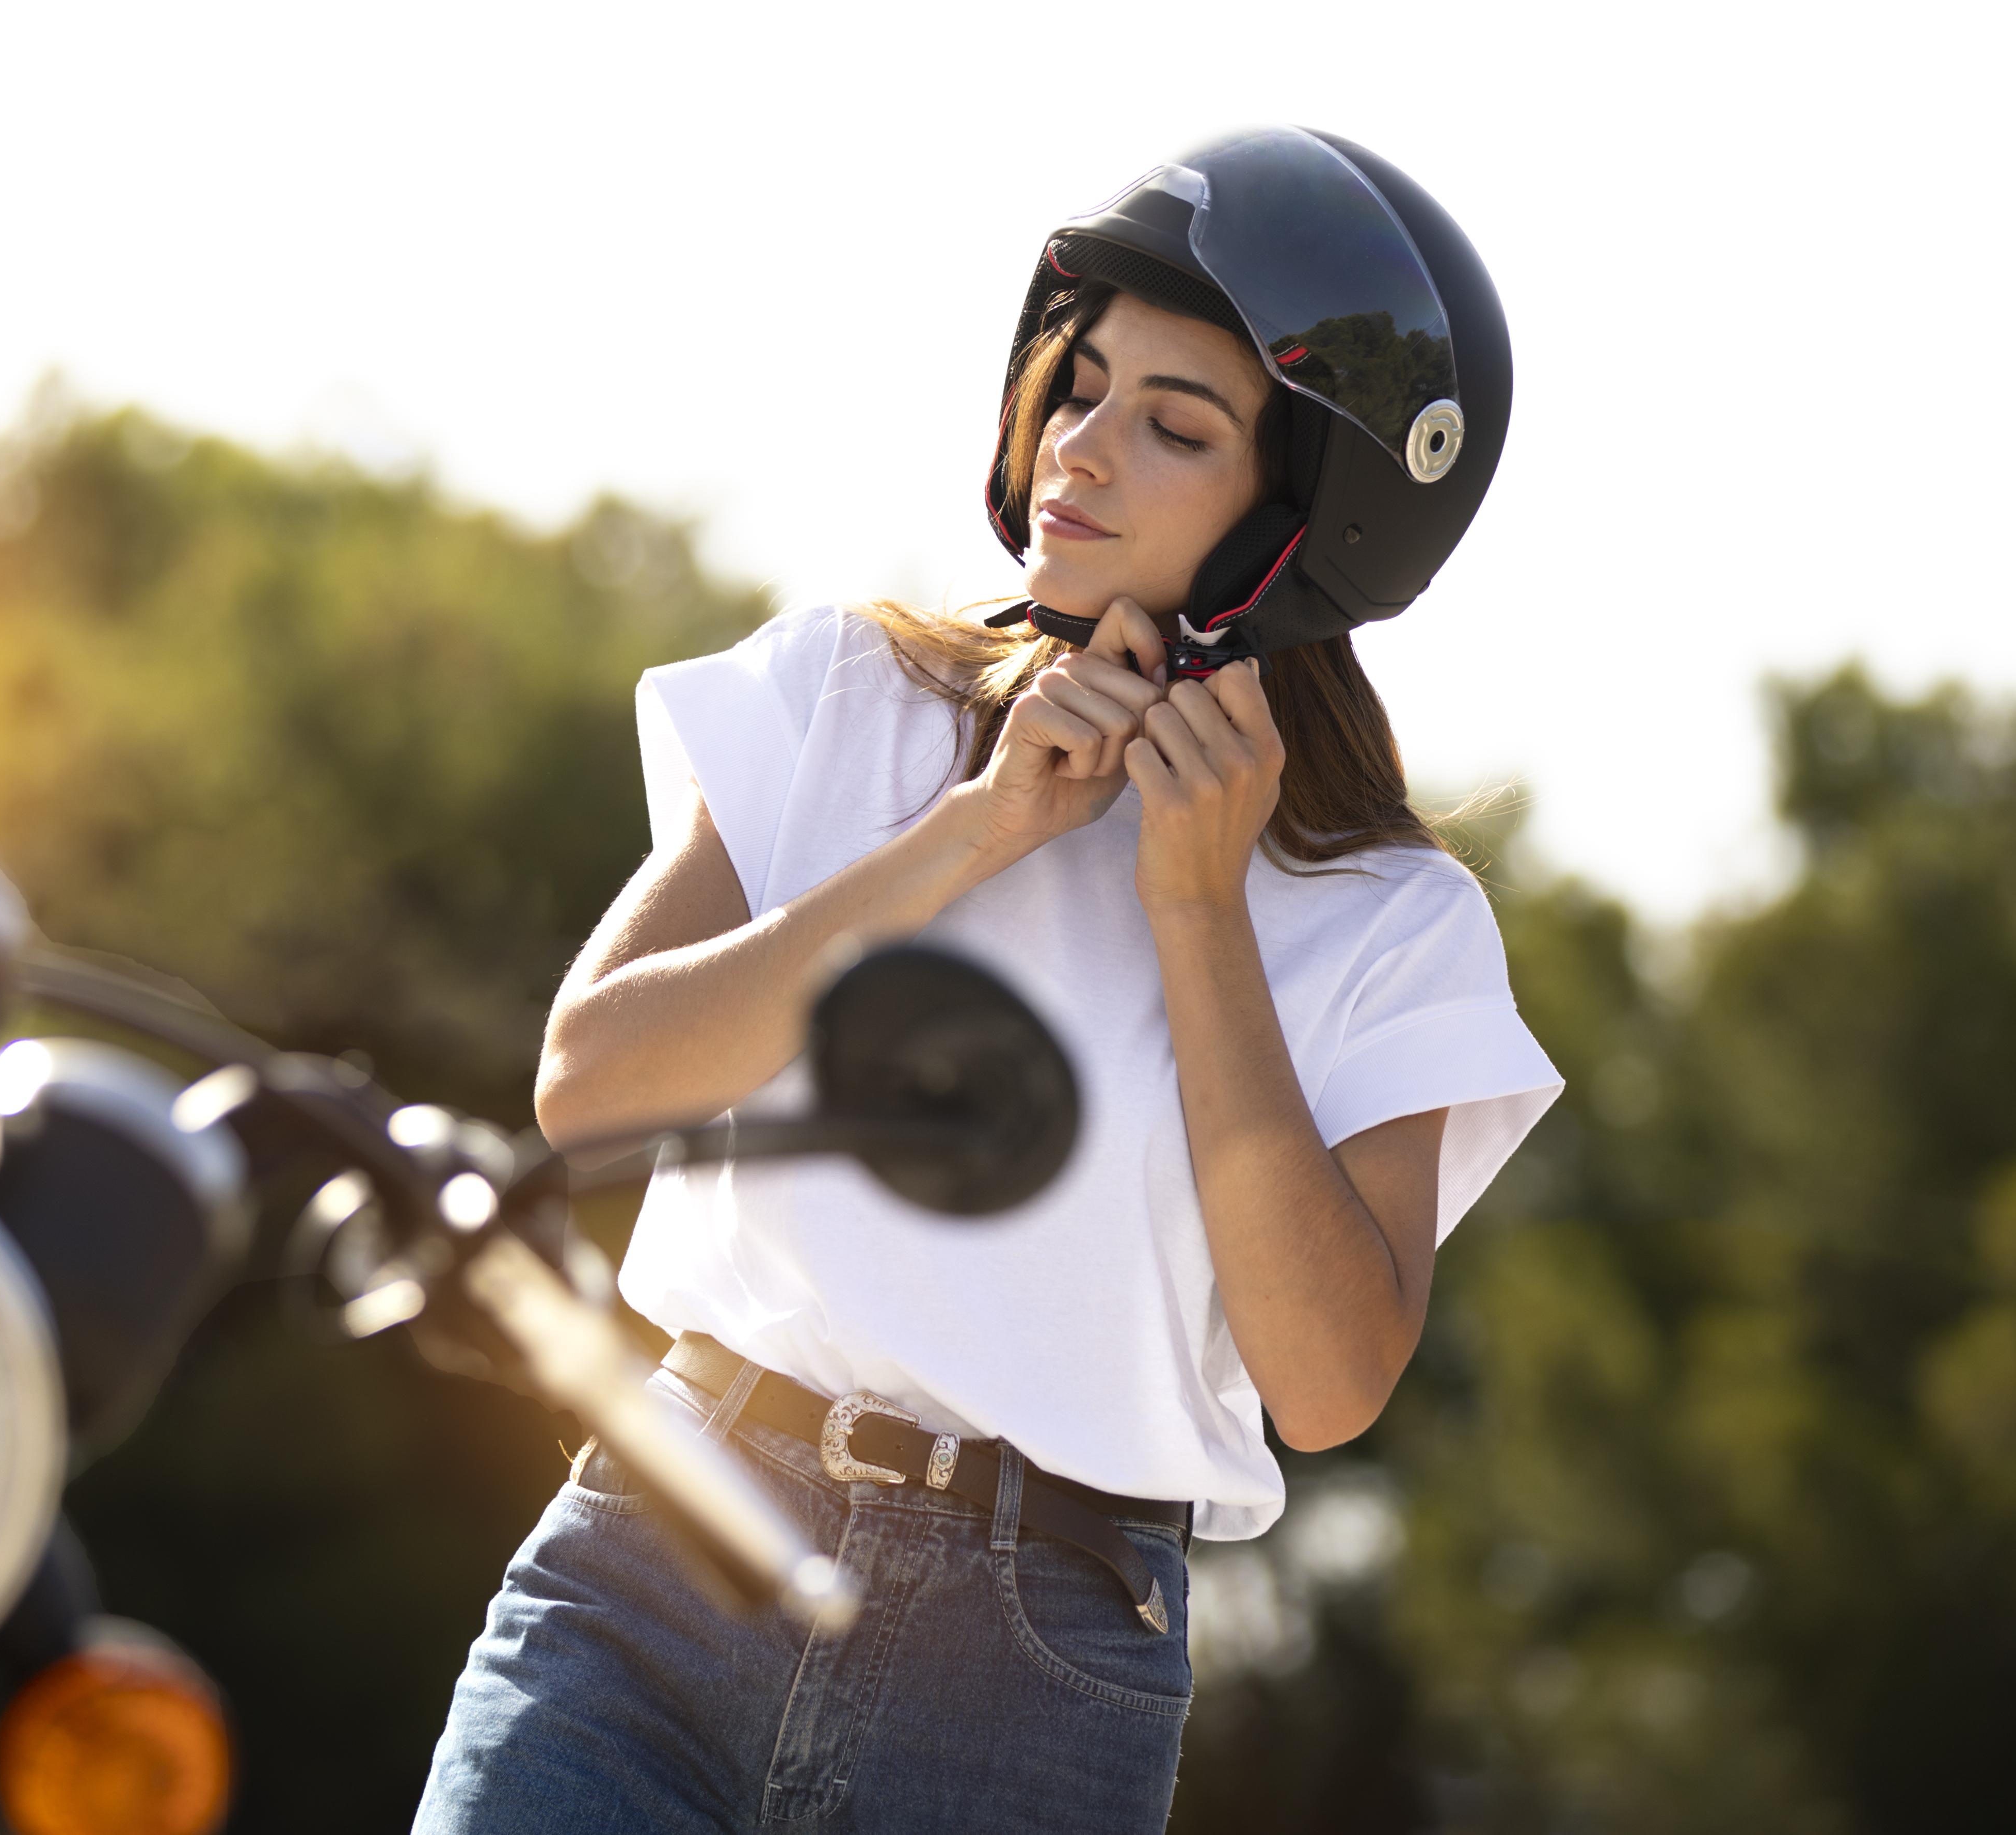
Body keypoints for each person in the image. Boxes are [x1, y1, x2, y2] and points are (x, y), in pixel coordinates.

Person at [412, 129, 1563, 1834]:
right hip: (659, 1559)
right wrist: (966, 837)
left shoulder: (1393, 922)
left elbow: (1325, 1386)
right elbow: (591, 1083)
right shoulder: (843, 699)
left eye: (1176, 426)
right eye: (1080, 384)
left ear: (1304, 532)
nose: (1081, 448)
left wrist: (1199, 914)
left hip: (1033, 1675)